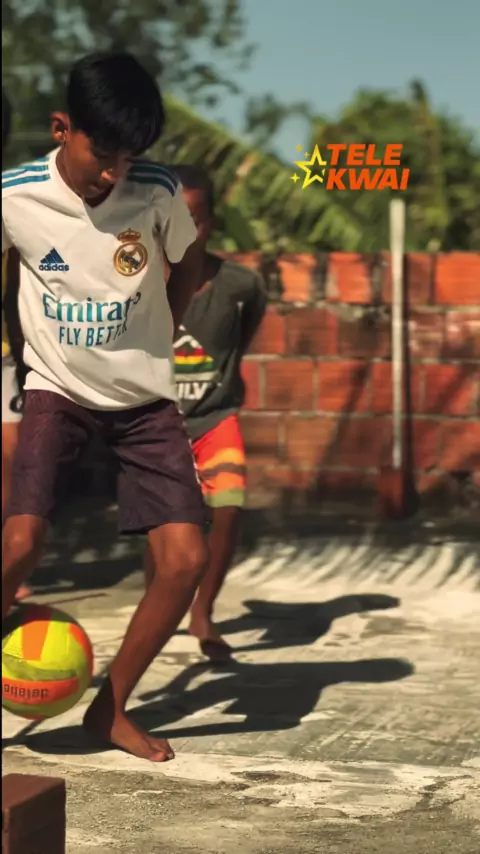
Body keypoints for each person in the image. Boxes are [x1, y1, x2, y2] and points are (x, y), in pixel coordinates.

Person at [2, 52, 209, 762]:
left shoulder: (156, 190)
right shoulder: (14, 197)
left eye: (128, 158)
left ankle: (109, 709)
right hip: (56, 389)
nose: (114, 173)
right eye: (103, 154)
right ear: (62, 128)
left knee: (184, 559)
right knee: (20, 544)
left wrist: (167, 327)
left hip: (144, 399)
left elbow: (189, 262)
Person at [144, 165, 267, 662]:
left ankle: (203, 613)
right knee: (159, 524)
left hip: (215, 417)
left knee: (229, 506)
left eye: (193, 220)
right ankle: (157, 605)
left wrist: (222, 380)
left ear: (211, 222)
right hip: (156, 423)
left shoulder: (240, 285)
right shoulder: (139, 282)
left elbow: (245, 331)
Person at [2, 89, 30, 601]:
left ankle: (8, 568)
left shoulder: (13, 201)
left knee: (10, 458)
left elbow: (20, 279)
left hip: (4, 352)